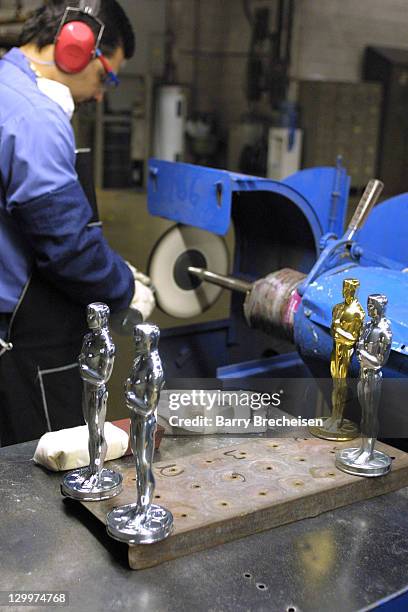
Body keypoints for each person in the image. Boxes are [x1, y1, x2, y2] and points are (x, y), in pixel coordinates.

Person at [0, 0, 155, 446]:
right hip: (22, 347)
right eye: (107, 76)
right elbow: (66, 246)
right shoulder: (36, 119)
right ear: (75, 48)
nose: (102, 94)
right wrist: (123, 286)